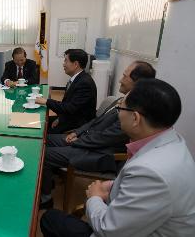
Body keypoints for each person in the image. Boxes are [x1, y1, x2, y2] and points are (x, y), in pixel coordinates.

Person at [41, 79, 195, 237]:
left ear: (135, 118)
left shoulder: (151, 172)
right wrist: (115, 186)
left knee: (49, 219)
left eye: (121, 107)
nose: (118, 112)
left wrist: (94, 197)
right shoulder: (171, 140)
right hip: (129, 220)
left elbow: (108, 230)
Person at [40, 61, 156, 209]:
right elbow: (95, 120)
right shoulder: (122, 99)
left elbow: (107, 137)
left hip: (100, 153)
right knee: (44, 140)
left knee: (44, 154)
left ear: (137, 82)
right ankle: (47, 180)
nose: (120, 79)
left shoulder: (134, 111)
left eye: (124, 76)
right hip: (87, 140)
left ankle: (46, 198)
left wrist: (78, 140)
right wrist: (77, 132)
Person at [36, 49, 97, 133]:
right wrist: (60, 118)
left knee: (39, 130)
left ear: (75, 64)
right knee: (39, 121)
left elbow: (69, 108)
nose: (63, 64)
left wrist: (46, 101)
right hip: (69, 118)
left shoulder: (84, 83)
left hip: (76, 126)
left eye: (66, 61)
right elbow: (69, 107)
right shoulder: (78, 79)